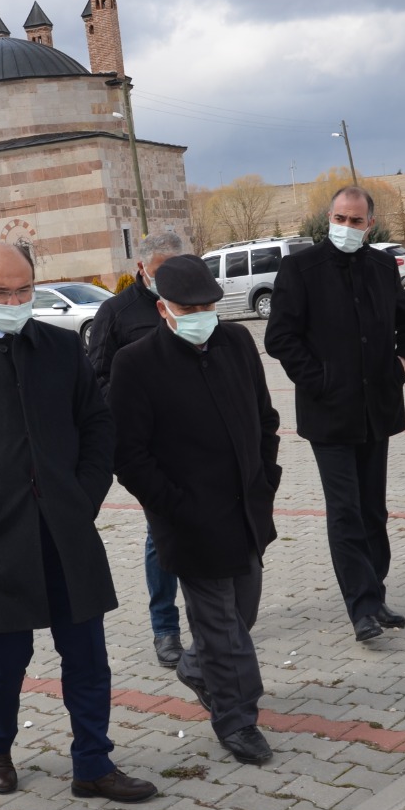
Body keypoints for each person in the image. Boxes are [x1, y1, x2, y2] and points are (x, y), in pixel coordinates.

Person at [0, 243, 157, 803]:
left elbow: (97, 422)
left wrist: (84, 494)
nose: (16, 300)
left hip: (65, 528)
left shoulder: (62, 346)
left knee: (88, 654)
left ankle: (92, 762)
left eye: (24, 289)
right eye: (2, 292)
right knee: (4, 658)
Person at [110, 255, 281, 764]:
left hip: (246, 512)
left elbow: (265, 417)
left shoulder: (236, 343)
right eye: (189, 307)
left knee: (241, 615)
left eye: (208, 305)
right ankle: (237, 718)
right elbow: (129, 456)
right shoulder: (136, 363)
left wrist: (265, 479)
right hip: (189, 522)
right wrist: (174, 507)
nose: (201, 314)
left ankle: (196, 669)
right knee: (223, 630)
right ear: (164, 308)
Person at [264, 186, 405, 642]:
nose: (347, 228)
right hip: (329, 416)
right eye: (340, 219)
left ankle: (375, 594)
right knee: (346, 511)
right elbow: (280, 337)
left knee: (374, 510)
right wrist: (321, 380)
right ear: (327, 219)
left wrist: (402, 363)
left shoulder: (380, 265)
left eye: (356, 221)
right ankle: (361, 609)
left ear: (369, 224)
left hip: (378, 410)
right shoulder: (300, 269)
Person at [86, 229, 189, 668]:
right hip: (147, 447)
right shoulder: (116, 313)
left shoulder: (193, 302)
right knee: (161, 532)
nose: (171, 279)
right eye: (162, 271)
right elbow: (95, 379)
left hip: (196, 437)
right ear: (141, 268)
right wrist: (136, 401)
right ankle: (165, 627)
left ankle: (218, 614)